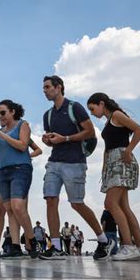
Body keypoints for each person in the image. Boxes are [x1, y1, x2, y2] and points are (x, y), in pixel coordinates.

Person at [40, 76, 114, 260]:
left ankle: (104, 240)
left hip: (75, 162)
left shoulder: (75, 108)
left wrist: (64, 138)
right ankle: (56, 247)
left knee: (76, 204)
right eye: (44, 88)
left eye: (48, 87)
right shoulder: (47, 115)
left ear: (58, 88)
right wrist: (48, 141)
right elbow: (53, 141)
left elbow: (90, 132)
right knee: (50, 199)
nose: (45, 90)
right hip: (54, 161)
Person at [87, 92, 140, 260]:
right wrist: (104, 167)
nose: (92, 113)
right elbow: (108, 147)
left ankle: (128, 247)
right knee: (124, 207)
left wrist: (129, 150)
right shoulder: (110, 121)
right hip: (113, 164)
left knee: (110, 203)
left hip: (121, 161)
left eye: (92, 108)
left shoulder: (116, 115)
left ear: (101, 104)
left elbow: (139, 130)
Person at [0, 99, 39, 259]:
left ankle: (32, 240)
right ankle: (15, 245)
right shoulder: (0, 132)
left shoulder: (22, 125)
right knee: (9, 209)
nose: (0, 116)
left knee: (17, 207)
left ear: (13, 112)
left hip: (20, 169)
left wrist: (1, 134)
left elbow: (23, 145)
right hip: (3, 171)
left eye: (2, 112)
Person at [0, 138, 42, 258]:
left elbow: (38, 150)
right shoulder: (4, 135)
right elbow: (0, 153)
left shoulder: (21, 134)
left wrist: (26, 157)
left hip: (20, 175)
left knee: (17, 210)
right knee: (0, 211)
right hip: (6, 174)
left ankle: (23, 243)